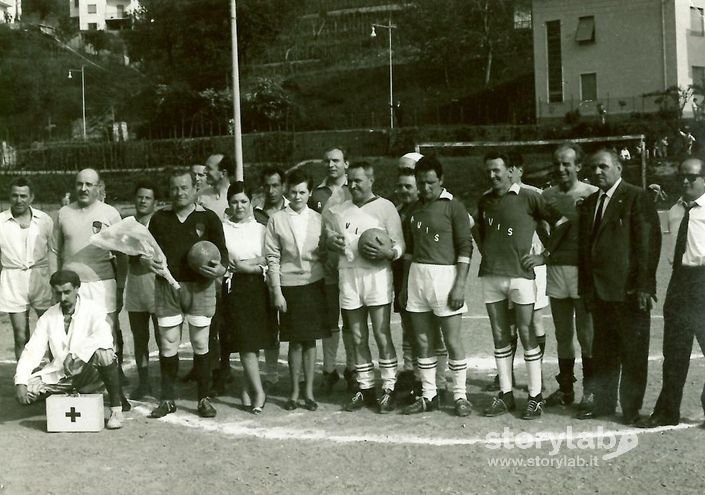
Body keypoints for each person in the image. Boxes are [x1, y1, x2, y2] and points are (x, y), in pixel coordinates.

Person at [474, 151, 566, 420]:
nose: (492, 175)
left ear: (510, 170)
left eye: (497, 170)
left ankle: (535, 397)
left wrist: (544, 255)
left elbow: (560, 221)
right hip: (491, 277)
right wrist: (488, 252)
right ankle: (505, 394)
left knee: (526, 334)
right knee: (500, 335)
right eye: (488, 171)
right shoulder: (484, 200)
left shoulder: (529, 196)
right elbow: (479, 231)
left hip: (521, 276)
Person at [576, 149, 661, 425]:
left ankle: (631, 409)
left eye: (603, 166)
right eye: (593, 167)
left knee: (633, 353)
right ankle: (604, 404)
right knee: (604, 352)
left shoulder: (637, 197)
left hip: (629, 292)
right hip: (600, 292)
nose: (597, 171)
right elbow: (584, 251)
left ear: (619, 167)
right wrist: (586, 289)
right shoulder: (589, 203)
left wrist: (645, 286)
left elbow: (647, 245)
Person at [144, 168, 228, 419]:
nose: (179, 192)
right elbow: (148, 253)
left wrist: (218, 270)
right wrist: (151, 263)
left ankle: (203, 398)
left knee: (201, 343)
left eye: (184, 188)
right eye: (174, 188)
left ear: (195, 189)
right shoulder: (159, 219)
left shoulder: (210, 218)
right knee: (168, 343)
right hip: (168, 287)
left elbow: (222, 256)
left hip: (200, 288)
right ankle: (167, 399)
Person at [324, 162, 404, 413]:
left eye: (359, 180)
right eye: (351, 180)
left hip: (377, 276)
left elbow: (399, 245)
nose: (353, 185)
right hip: (348, 276)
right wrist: (331, 243)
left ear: (371, 180)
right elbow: (329, 242)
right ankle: (365, 387)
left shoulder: (385, 207)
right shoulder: (339, 211)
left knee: (381, 334)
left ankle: (389, 386)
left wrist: (389, 251)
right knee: (357, 336)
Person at [400, 156, 474, 417]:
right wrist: (405, 285)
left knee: (452, 340)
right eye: (421, 183)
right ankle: (429, 395)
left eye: (430, 182)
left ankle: (460, 396)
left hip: (446, 277)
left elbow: (466, 247)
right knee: (422, 340)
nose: (425, 188)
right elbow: (409, 251)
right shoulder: (413, 210)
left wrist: (460, 285)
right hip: (418, 277)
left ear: (441, 180)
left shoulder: (454, 207)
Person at [638, 157, 705, 428]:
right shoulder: (675, 210)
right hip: (679, 282)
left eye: (692, 177)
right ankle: (667, 411)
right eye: (682, 177)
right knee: (674, 352)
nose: (686, 181)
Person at [51, 168, 128, 399]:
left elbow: (122, 254)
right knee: (73, 336)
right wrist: (55, 284)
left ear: (98, 187)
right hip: (70, 287)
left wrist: (121, 284)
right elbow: (54, 251)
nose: (83, 189)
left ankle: (115, 395)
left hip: (102, 284)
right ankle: (77, 387)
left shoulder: (111, 213)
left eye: (89, 184)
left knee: (106, 336)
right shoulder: (63, 213)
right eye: (79, 184)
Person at [14, 270, 126, 429]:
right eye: (58, 293)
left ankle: (116, 410)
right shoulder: (48, 316)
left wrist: (75, 354)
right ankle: (72, 393)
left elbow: (105, 337)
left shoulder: (93, 309)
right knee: (27, 391)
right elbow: (32, 350)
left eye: (67, 292)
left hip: (90, 371)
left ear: (77, 288)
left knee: (105, 353)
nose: (63, 298)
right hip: (62, 375)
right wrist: (20, 381)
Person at [539, 143, 598, 410]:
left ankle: (591, 392)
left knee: (587, 334)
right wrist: (548, 250)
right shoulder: (546, 195)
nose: (561, 168)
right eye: (557, 163)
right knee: (563, 333)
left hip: (582, 271)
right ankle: (565, 389)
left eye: (566, 164)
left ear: (578, 166)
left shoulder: (592, 193)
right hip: (555, 270)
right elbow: (541, 227)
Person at [265, 169, 330, 411]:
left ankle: (309, 392)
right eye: (293, 192)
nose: (297, 196)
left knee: (310, 340)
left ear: (310, 192)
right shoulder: (277, 220)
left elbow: (324, 252)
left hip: (314, 284)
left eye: (302, 192)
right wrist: (277, 291)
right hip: (289, 286)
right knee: (294, 342)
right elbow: (272, 257)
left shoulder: (318, 218)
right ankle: (293, 392)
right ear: (286, 192)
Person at [222, 182, 275, 414]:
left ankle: (246, 388)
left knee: (253, 342)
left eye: (243, 201)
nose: (239, 206)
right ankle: (259, 391)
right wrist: (242, 266)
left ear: (251, 202)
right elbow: (227, 260)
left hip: (257, 286)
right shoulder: (223, 230)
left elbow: (267, 257)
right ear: (228, 204)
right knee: (244, 342)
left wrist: (249, 266)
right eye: (234, 202)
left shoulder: (261, 229)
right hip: (234, 289)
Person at [310, 146, 356, 393]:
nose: (331, 165)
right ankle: (329, 369)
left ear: (346, 164)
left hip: (351, 264)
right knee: (329, 319)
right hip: (326, 264)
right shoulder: (316, 193)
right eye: (327, 160)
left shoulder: (356, 188)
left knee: (350, 317)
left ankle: (351, 368)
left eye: (336, 160)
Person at [0, 177, 53, 360]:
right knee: (20, 335)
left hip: (41, 277)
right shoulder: (1, 221)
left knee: (52, 332)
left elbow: (54, 251)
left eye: (23, 196)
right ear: (9, 196)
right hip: (12, 279)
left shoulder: (44, 220)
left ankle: (59, 378)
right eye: (15, 195)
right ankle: (24, 380)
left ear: (31, 197)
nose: (19, 200)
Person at [196, 153, 232, 393]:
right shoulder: (202, 198)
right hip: (208, 272)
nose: (205, 172)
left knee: (228, 326)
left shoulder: (238, 196)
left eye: (209, 169)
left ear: (224, 172)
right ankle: (208, 372)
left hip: (232, 270)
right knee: (208, 325)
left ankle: (225, 370)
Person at [251, 166, 289, 391]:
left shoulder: (293, 207)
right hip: (265, 274)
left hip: (292, 274)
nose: (272, 190)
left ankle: (299, 376)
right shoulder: (256, 213)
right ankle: (272, 375)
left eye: (276, 185)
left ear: (283, 186)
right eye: (267, 186)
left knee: (294, 326)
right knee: (269, 326)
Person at [125, 180, 160, 400]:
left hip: (157, 287)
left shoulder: (161, 224)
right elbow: (124, 252)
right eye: (140, 197)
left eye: (148, 198)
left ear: (155, 202)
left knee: (163, 336)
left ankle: (167, 382)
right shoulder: (127, 225)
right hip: (136, 287)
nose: (143, 201)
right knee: (140, 338)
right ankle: (144, 382)